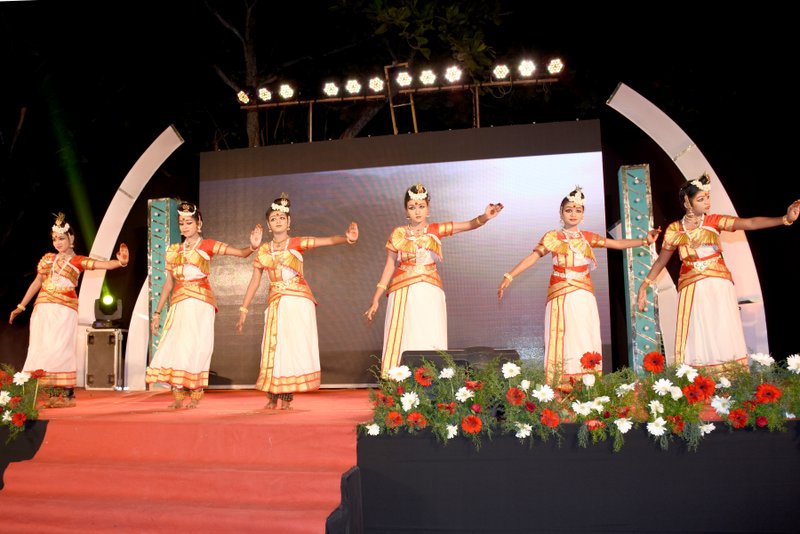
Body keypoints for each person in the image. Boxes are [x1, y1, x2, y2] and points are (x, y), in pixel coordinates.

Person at [498, 186, 660, 385]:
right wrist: (510, 276)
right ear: (561, 213)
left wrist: (644, 240)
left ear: (583, 214)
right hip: (561, 294)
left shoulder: (587, 237)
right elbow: (533, 257)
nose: (573, 214)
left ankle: (587, 383)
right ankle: (560, 384)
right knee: (564, 337)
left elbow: (616, 244)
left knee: (584, 334)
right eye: (568, 210)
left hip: (584, 295)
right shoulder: (553, 237)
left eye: (578, 210)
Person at [637, 173, 800, 370]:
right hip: (692, 287)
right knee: (698, 333)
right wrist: (644, 285)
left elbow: (749, 223)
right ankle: (698, 379)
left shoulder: (714, 221)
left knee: (722, 329)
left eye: (707, 197)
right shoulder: (674, 229)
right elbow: (661, 261)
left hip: (719, 285)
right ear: (688, 203)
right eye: (701, 199)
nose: (707, 202)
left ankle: (731, 377)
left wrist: (785, 219)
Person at [365, 183, 504, 377]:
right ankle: (400, 380)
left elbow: (468, 225)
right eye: (412, 207)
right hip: (403, 290)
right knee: (405, 333)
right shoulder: (398, 233)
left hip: (430, 290)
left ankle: (431, 379)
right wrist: (376, 297)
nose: (417, 211)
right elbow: (389, 265)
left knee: (429, 332)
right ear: (406, 210)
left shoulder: (436, 229)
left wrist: (485, 217)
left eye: (421, 206)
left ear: (428, 208)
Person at [236, 194, 359, 410]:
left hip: (298, 301)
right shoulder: (263, 250)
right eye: (273, 218)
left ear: (289, 222)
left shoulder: (297, 243)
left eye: (282, 217)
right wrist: (244, 308)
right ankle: (273, 394)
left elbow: (326, 241)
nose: (278, 221)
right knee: (273, 346)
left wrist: (346, 238)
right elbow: (255, 280)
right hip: (276, 300)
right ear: (268, 224)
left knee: (290, 347)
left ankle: (286, 396)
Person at [147, 201, 262, 409]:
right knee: (177, 345)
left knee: (198, 345)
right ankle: (178, 394)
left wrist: (253, 246)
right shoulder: (173, 250)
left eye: (188, 222)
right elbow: (168, 283)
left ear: (199, 223)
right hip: (179, 302)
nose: (184, 227)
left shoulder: (208, 245)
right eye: (181, 223)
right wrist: (157, 312)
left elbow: (241, 253)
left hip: (201, 302)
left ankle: (196, 391)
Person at [8, 212, 129, 408]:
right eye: (54, 239)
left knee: (60, 348)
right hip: (42, 309)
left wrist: (120, 262)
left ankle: (67, 393)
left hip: (64, 310)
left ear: (71, 238)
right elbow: (37, 282)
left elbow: (102, 264)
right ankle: (48, 393)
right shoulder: (48, 259)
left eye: (61, 238)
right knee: (41, 348)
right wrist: (21, 306)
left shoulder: (77, 261)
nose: (57, 242)